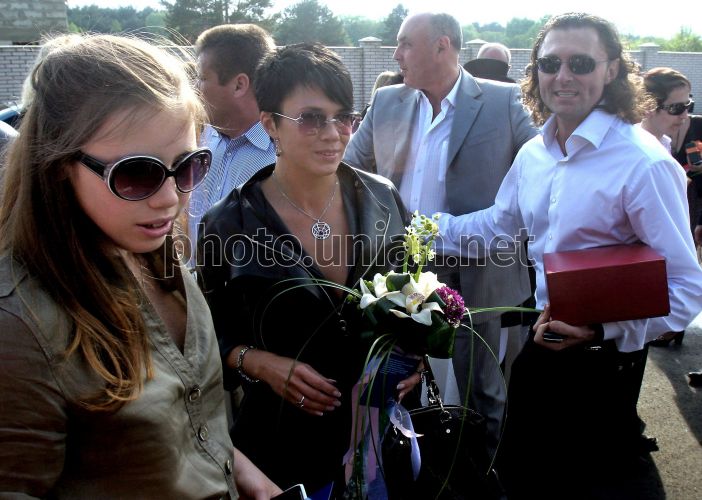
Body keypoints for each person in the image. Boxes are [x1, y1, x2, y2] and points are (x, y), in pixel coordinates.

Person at [0, 33, 281, 499]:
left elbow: (192, 425)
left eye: (189, 166)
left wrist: (248, 478)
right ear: (59, 163)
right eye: (136, 173)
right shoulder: (18, 326)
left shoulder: (161, 261)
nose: (171, 198)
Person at [436, 12, 702, 497]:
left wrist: (601, 331)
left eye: (580, 63)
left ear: (612, 69)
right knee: (522, 479)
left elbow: (685, 289)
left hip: (606, 366)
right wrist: (424, 228)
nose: (562, 76)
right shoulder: (534, 154)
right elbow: (499, 225)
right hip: (541, 350)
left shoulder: (643, 163)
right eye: (549, 63)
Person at [197, 43, 418, 494]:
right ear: (270, 124)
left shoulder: (382, 198)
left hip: (378, 439)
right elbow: (205, 336)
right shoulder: (230, 222)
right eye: (312, 118)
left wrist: (416, 357)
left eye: (344, 117)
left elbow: (416, 292)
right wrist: (258, 362)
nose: (333, 133)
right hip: (281, 447)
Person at [344, 11, 537, 456]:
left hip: (479, 270)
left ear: (442, 45)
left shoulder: (503, 101)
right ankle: (409, 466)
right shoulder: (387, 101)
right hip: (401, 275)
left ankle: (480, 472)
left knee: (480, 391)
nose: (396, 55)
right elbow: (350, 173)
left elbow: (544, 167)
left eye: (405, 43)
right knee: (398, 380)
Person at [188, 24, 277, 259]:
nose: (194, 89)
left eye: (201, 78)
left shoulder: (282, 157)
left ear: (239, 85)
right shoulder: (199, 142)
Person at [641, 67, 696, 348]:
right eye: (677, 108)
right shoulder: (641, 154)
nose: (685, 115)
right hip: (641, 275)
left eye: (689, 105)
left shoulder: (662, 144)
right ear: (648, 106)